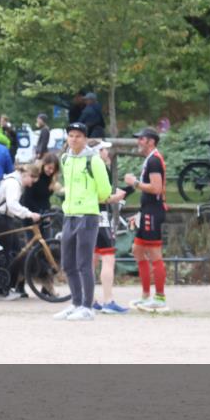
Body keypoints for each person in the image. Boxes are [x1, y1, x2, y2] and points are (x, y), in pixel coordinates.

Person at [53, 122, 112, 321]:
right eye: (71, 135)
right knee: (68, 263)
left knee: (84, 263)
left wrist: (89, 199)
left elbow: (105, 190)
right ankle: (76, 303)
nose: (74, 139)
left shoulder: (94, 160)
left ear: (85, 139)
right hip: (69, 214)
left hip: (87, 214)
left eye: (78, 136)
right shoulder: (65, 159)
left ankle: (87, 306)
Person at [124, 127, 168, 312]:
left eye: (141, 139)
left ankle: (160, 298)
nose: (138, 142)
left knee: (154, 253)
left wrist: (134, 183)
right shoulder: (150, 159)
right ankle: (145, 295)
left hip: (153, 212)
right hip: (147, 211)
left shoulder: (154, 161)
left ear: (151, 141)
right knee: (137, 250)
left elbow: (156, 188)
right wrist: (140, 214)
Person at [89, 140, 131, 314]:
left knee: (91, 259)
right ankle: (108, 300)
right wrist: (118, 196)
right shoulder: (99, 167)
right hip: (100, 217)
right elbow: (102, 196)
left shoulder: (84, 166)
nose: (107, 152)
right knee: (108, 258)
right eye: (104, 149)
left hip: (86, 216)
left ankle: (89, 299)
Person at [0, 163, 42, 300]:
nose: (31, 184)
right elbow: (12, 204)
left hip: (5, 218)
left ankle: (7, 286)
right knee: (8, 254)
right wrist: (29, 214)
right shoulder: (14, 183)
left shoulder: (12, 180)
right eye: (32, 180)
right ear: (27, 175)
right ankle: (0, 289)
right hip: (2, 219)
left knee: (15, 251)